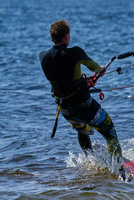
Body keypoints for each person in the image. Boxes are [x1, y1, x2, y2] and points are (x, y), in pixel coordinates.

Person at [39, 20, 122, 159]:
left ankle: (91, 161)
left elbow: (63, 79)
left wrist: (82, 82)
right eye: (69, 35)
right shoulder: (75, 52)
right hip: (85, 108)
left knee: (82, 131)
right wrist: (101, 70)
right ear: (66, 36)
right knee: (110, 131)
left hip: (66, 111)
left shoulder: (42, 56)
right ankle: (119, 168)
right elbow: (97, 69)